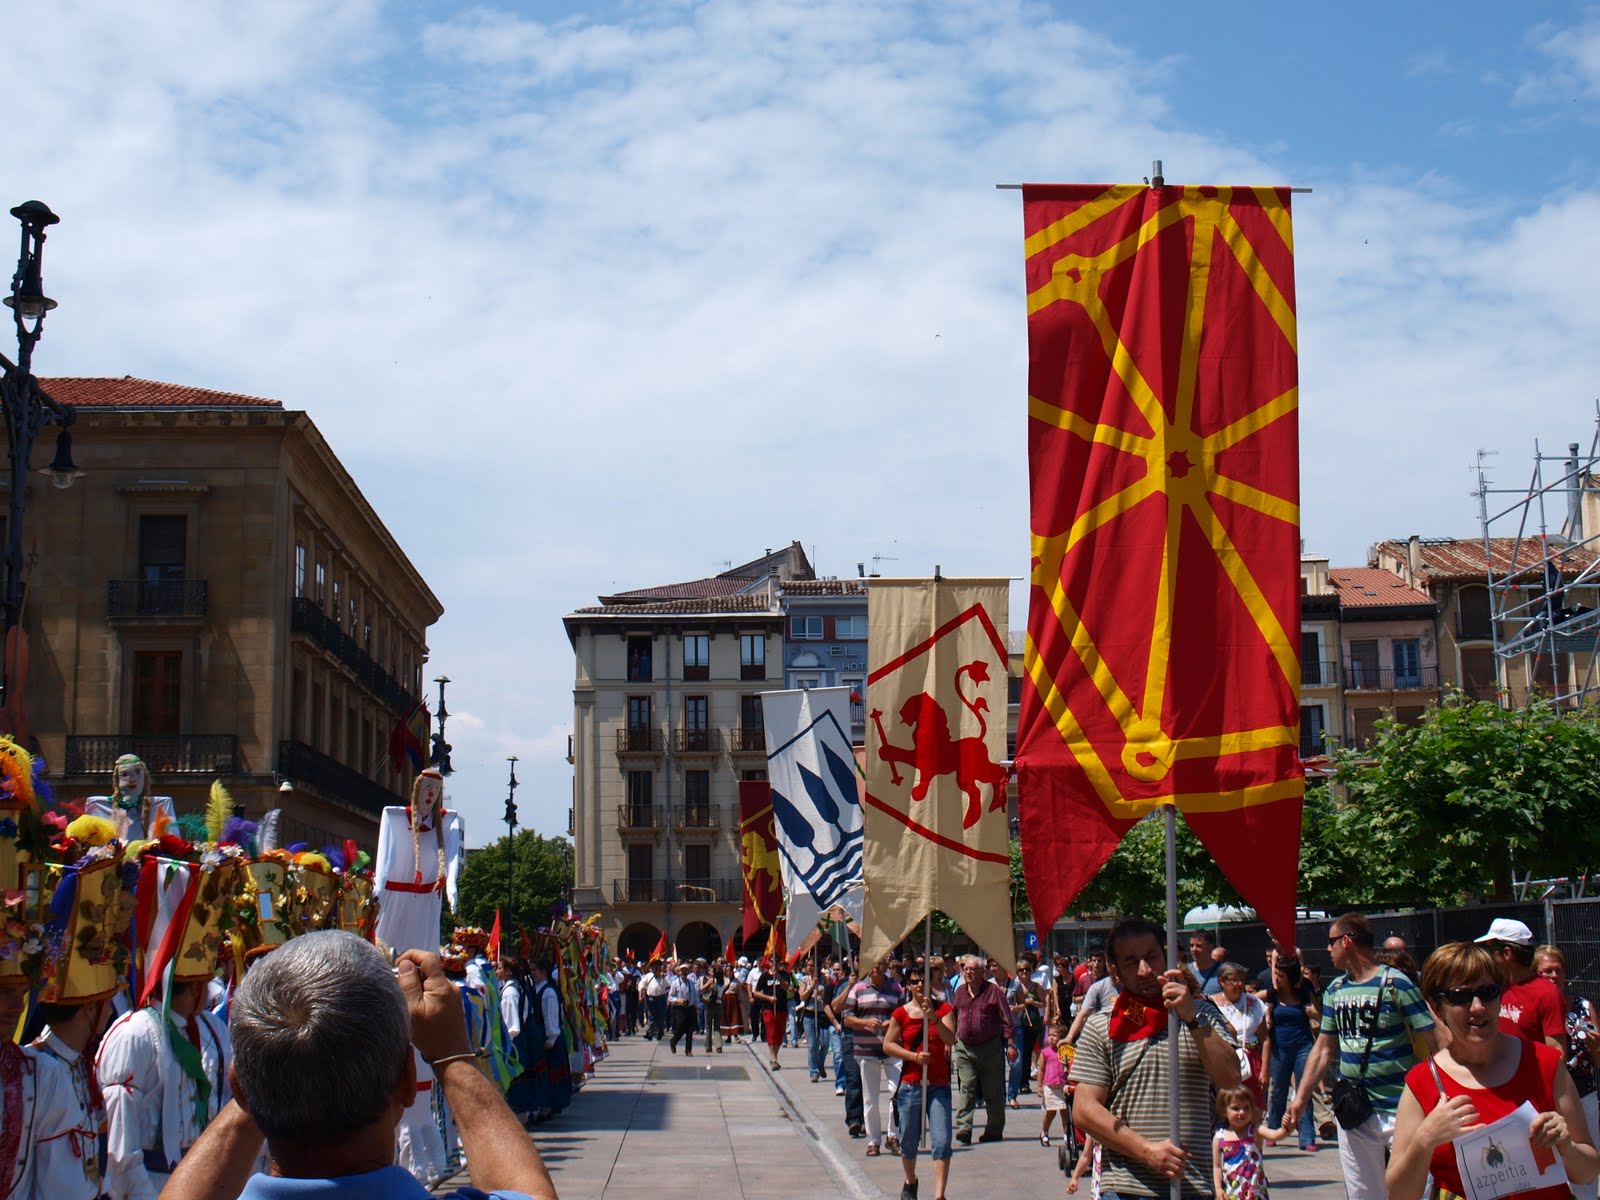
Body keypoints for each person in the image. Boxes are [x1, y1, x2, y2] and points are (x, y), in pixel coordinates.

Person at [161, 933, 558, 1200]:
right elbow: (529, 1190)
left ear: (242, 1090)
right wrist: (452, 1057)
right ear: (406, 1080)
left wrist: (267, 1064)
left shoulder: (246, 1093)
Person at [1387, 941, 1600, 1200]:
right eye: (1461, 996)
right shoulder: (1423, 1082)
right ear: (1436, 1005)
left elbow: (1588, 1172)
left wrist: (1566, 1147)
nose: (1477, 1006)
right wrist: (1424, 1141)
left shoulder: (1544, 1063)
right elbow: (1398, 1194)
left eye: (1488, 992)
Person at [1070, 916, 1242, 1198]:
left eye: (1151, 957)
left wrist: (1192, 1017)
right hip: (1127, 1188)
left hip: (1193, 1186)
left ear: (1167, 955)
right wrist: (1146, 1151)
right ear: (1115, 970)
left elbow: (1231, 1078)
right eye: (1130, 961)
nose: (1144, 970)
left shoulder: (1204, 1015)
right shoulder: (1102, 1025)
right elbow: (1084, 1110)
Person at [1285, 913, 1438, 1200]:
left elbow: (1435, 1041)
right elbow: (1323, 1048)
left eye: (1331, 943)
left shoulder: (1398, 984)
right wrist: (1300, 1098)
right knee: (1363, 1193)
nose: (1328, 950)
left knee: (1417, 1189)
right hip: (1355, 1109)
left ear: (1347, 941)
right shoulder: (1335, 991)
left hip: (1402, 1108)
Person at [98, 976, 232, 1199]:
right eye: (204, 983)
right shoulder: (135, 1033)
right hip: (152, 1182)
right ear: (194, 988)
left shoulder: (213, 1027)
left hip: (204, 1180)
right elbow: (122, 1147)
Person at [884, 965, 956, 1200]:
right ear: (908, 985)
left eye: (923, 981)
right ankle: (911, 1180)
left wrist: (933, 1018)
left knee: (942, 1140)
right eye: (914, 981)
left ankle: (939, 1194)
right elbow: (888, 1044)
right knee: (908, 1141)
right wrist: (913, 1056)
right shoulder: (901, 1014)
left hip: (938, 1085)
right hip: (911, 1084)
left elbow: (950, 1039)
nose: (919, 986)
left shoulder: (944, 1009)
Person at [1537, 944, 1600, 1200]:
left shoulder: (1582, 1007)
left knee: (1587, 1166)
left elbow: (1598, 1061)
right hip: (1549, 1099)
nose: (1554, 976)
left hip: (1583, 1096)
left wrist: (1597, 1047)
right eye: (1546, 971)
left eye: (1558, 971)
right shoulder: (1535, 1009)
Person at [845, 955, 907, 1155]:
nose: (877, 968)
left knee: (895, 1093)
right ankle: (873, 1141)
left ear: (887, 966)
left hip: (892, 1048)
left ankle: (893, 1136)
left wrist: (892, 1023)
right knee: (870, 1097)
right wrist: (865, 1022)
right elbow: (847, 1018)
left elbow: (904, 1013)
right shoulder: (859, 989)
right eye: (873, 965)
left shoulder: (897, 989)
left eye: (880, 964)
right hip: (867, 1049)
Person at [951, 953, 1015, 1144]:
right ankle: (964, 1128)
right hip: (964, 1047)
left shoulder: (994, 991)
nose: (968, 972)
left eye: (972, 969)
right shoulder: (960, 992)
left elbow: (1006, 1019)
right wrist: (950, 1041)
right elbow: (953, 1016)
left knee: (992, 1091)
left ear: (983, 972)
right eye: (966, 969)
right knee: (967, 1086)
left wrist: (1010, 1044)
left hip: (990, 1047)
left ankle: (994, 1129)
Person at [1261, 948, 1320, 1152]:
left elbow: (1318, 1012)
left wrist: (1313, 1013)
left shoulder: (1303, 992)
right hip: (1280, 1047)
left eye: (1281, 975)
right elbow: (1264, 1010)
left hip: (1303, 1045)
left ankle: (1307, 1137)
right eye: (1276, 974)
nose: (1276, 978)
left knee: (1304, 1090)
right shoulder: (1272, 994)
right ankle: (1274, 1129)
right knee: (1278, 1090)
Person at [1477, 917, 1565, 1050]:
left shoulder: (1547, 993)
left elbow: (1557, 1053)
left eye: (1491, 950)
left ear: (1507, 953)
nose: (1488, 955)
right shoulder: (1495, 988)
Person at [1211, 1084, 1287, 1200]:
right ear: (1224, 1111)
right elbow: (1217, 1167)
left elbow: (1275, 1135)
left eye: (1246, 1108)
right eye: (1236, 1108)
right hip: (1231, 1194)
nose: (1242, 1112)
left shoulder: (1254, 1131)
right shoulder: (1219, 1137)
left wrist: (1285, 1128)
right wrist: (1218, 1189)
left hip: (1255, 1195)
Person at [1214, 962, 1269, 1109]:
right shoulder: (1211, 1004)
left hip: (1251, 1061)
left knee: (1253, 1107)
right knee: (1226, 1106)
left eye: (1241, 980)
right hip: (1223, 1063)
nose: (1239, 984)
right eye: (1234, 980)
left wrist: (1264, 1071)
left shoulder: (1254, 1003)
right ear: (1222, 981)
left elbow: (1265, 1039)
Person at [85, 752, 177, 841]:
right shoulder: (98, 805)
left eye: (137, 772)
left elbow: (172, 838)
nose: (132, 779)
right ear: (117, 779)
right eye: (124, 774)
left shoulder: (160, 805)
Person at [1007, 954, 1047, 1108]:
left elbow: (1044, 1002)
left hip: (1031, 1022)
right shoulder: (1015, 985)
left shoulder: (1035, 986)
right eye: (1021, 970)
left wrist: (1033, 1002)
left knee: (1028, 1051)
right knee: (1020, 1055)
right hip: (1018, 1022)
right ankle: (1020, 1083)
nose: (1024, 973)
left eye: (1027, 970)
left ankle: (1023, 1082)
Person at [1037, 1021, 1069, 1147]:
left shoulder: (1066, 1051)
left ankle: (1067, 1134)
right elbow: (1041, 1069)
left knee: (1065, 1112)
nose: (1051, 1038)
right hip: (1050, 1086)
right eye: (1049, 1035)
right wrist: (1039, 1086)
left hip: (1063, 1086)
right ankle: (1044, 1132)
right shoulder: (1046, 1052)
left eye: (1054, 1035)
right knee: (1051, 1112)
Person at [667, 962, 697, 1055]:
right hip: (679, 1008)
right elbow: (670, 997)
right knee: (681, 1026)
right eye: (682, 970)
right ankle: (673, 1041)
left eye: (686, 970)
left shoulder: (691, 983)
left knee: (690, 1029)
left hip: (690, 1007)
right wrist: (678, 1000)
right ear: (679, 972)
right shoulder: (675, 983)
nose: (684, 972)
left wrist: (695, 1005)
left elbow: (694, 996)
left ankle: (688, 1050)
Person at [1186, 930, 1222, 996]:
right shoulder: (1186, 971)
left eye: (1199, 946)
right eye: (1191, 945)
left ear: (1210, 947)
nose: (1194, 949)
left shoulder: (1223, 971)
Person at [703, 961, 727, 1054]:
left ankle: (708, 1046)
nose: (709, 972)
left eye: (711, 971)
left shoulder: (712, 980)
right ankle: (718, 1046)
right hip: (719, 1004)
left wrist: (702, 981)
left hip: (710, 1004)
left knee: (708, 1026)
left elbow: (702, 988)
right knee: (717, 1027)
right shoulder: (722, 981)